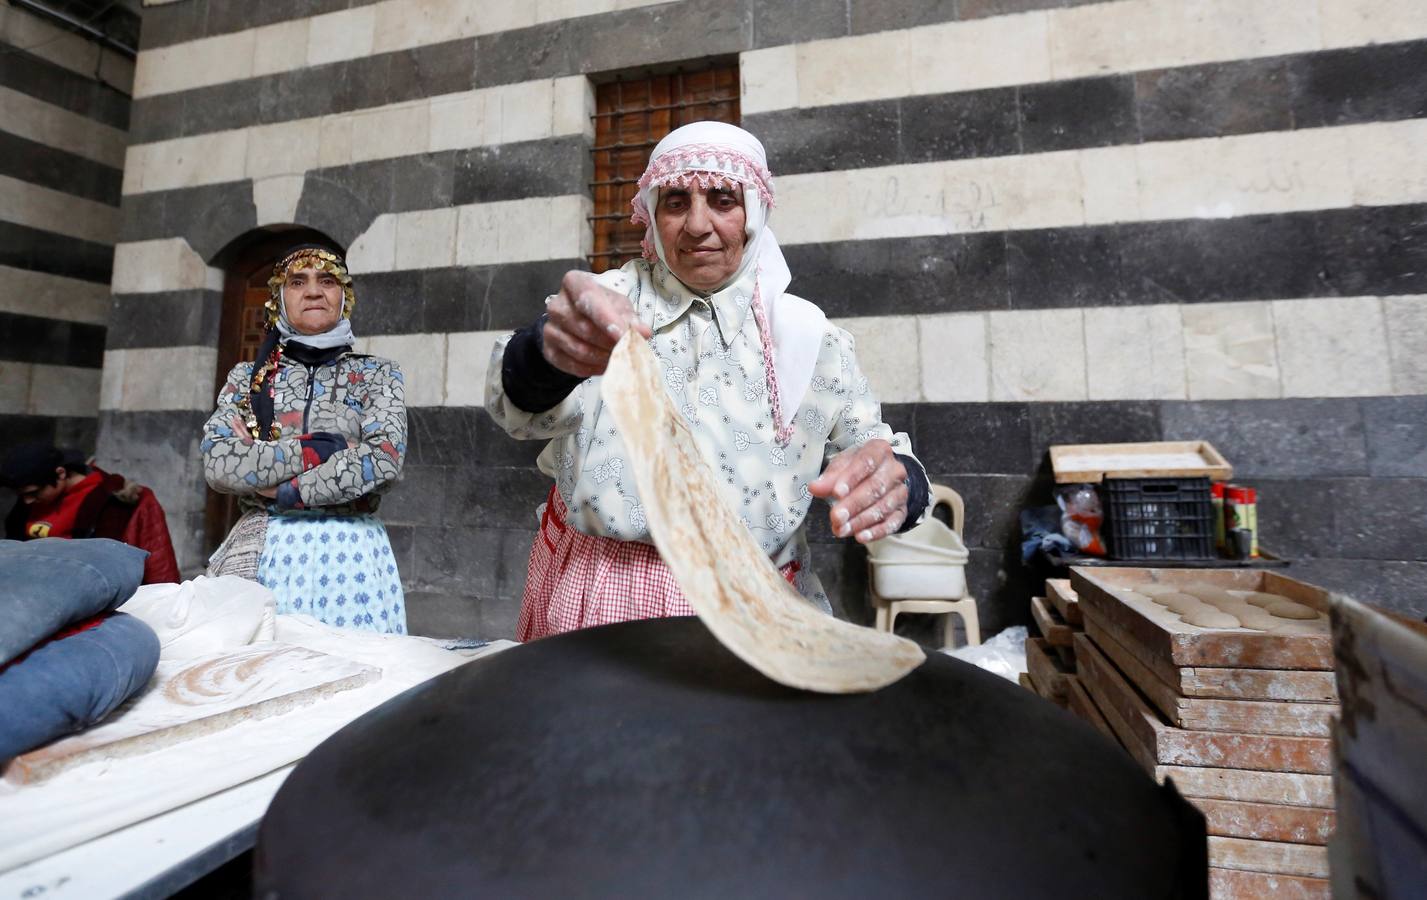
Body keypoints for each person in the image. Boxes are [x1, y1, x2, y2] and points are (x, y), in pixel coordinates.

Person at [487, 121, 930, 641]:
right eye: (676, 202)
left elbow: (875, 450)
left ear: (755, 213)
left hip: (756, 608)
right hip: (601, 594)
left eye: (723, 200)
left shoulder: (814, 342)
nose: (697, 225)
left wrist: (895, 482)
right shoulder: (605, 307)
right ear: (653, 215)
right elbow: (518, 408)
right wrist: (543, 353)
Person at [201, 244, 408, 634]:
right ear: (280, 298)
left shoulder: (377, 376)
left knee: (353, 663)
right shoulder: (247, 380)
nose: (313, 292)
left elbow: (382, 460)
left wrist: (279, 489)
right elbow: (220, 463)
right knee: (261, 662)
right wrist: (322, 449)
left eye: (327, 281)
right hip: (266, 548)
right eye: (298, 282)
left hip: (351, 554)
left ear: (343, 296)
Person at [1, 443, 180, 584]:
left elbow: (159, 565)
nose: (28, 501)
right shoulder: (28, 504)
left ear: (61, 473)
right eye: (22, 495)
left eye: (34, 493)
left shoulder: (120, 503)